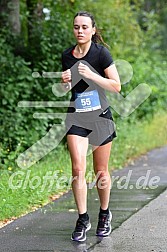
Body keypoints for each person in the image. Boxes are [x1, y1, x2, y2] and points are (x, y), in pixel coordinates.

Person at [61, 11, 121, 242]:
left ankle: (104, 213)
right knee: (77, 169)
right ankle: (82, 217)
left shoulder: (101, 54)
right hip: (77, 117)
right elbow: (68, 89)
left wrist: (92, 75)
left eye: (85, 27)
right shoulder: (67, 55)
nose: (80, 31)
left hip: (100, 119)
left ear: (93, 30)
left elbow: (116, 86)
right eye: (76, 27)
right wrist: (64, 83)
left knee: (101, 172)